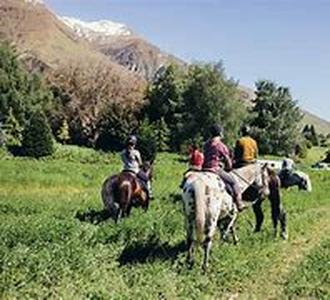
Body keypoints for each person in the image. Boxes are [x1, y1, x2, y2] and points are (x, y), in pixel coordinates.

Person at [203, 124, 246, 212]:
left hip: (203, 169)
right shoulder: (221, 145)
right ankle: (239, 203)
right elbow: (228, 161)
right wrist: (229, 167)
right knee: (233, 182)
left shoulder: (206, 144)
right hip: (215, 169)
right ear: (220, 133)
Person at [121, 135, 152, 199]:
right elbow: (140, 163)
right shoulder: (136, 152)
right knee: (146, 179)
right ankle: (149, 193)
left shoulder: (122, 152)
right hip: (135, 170)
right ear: (134, 144)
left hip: (125, 170)